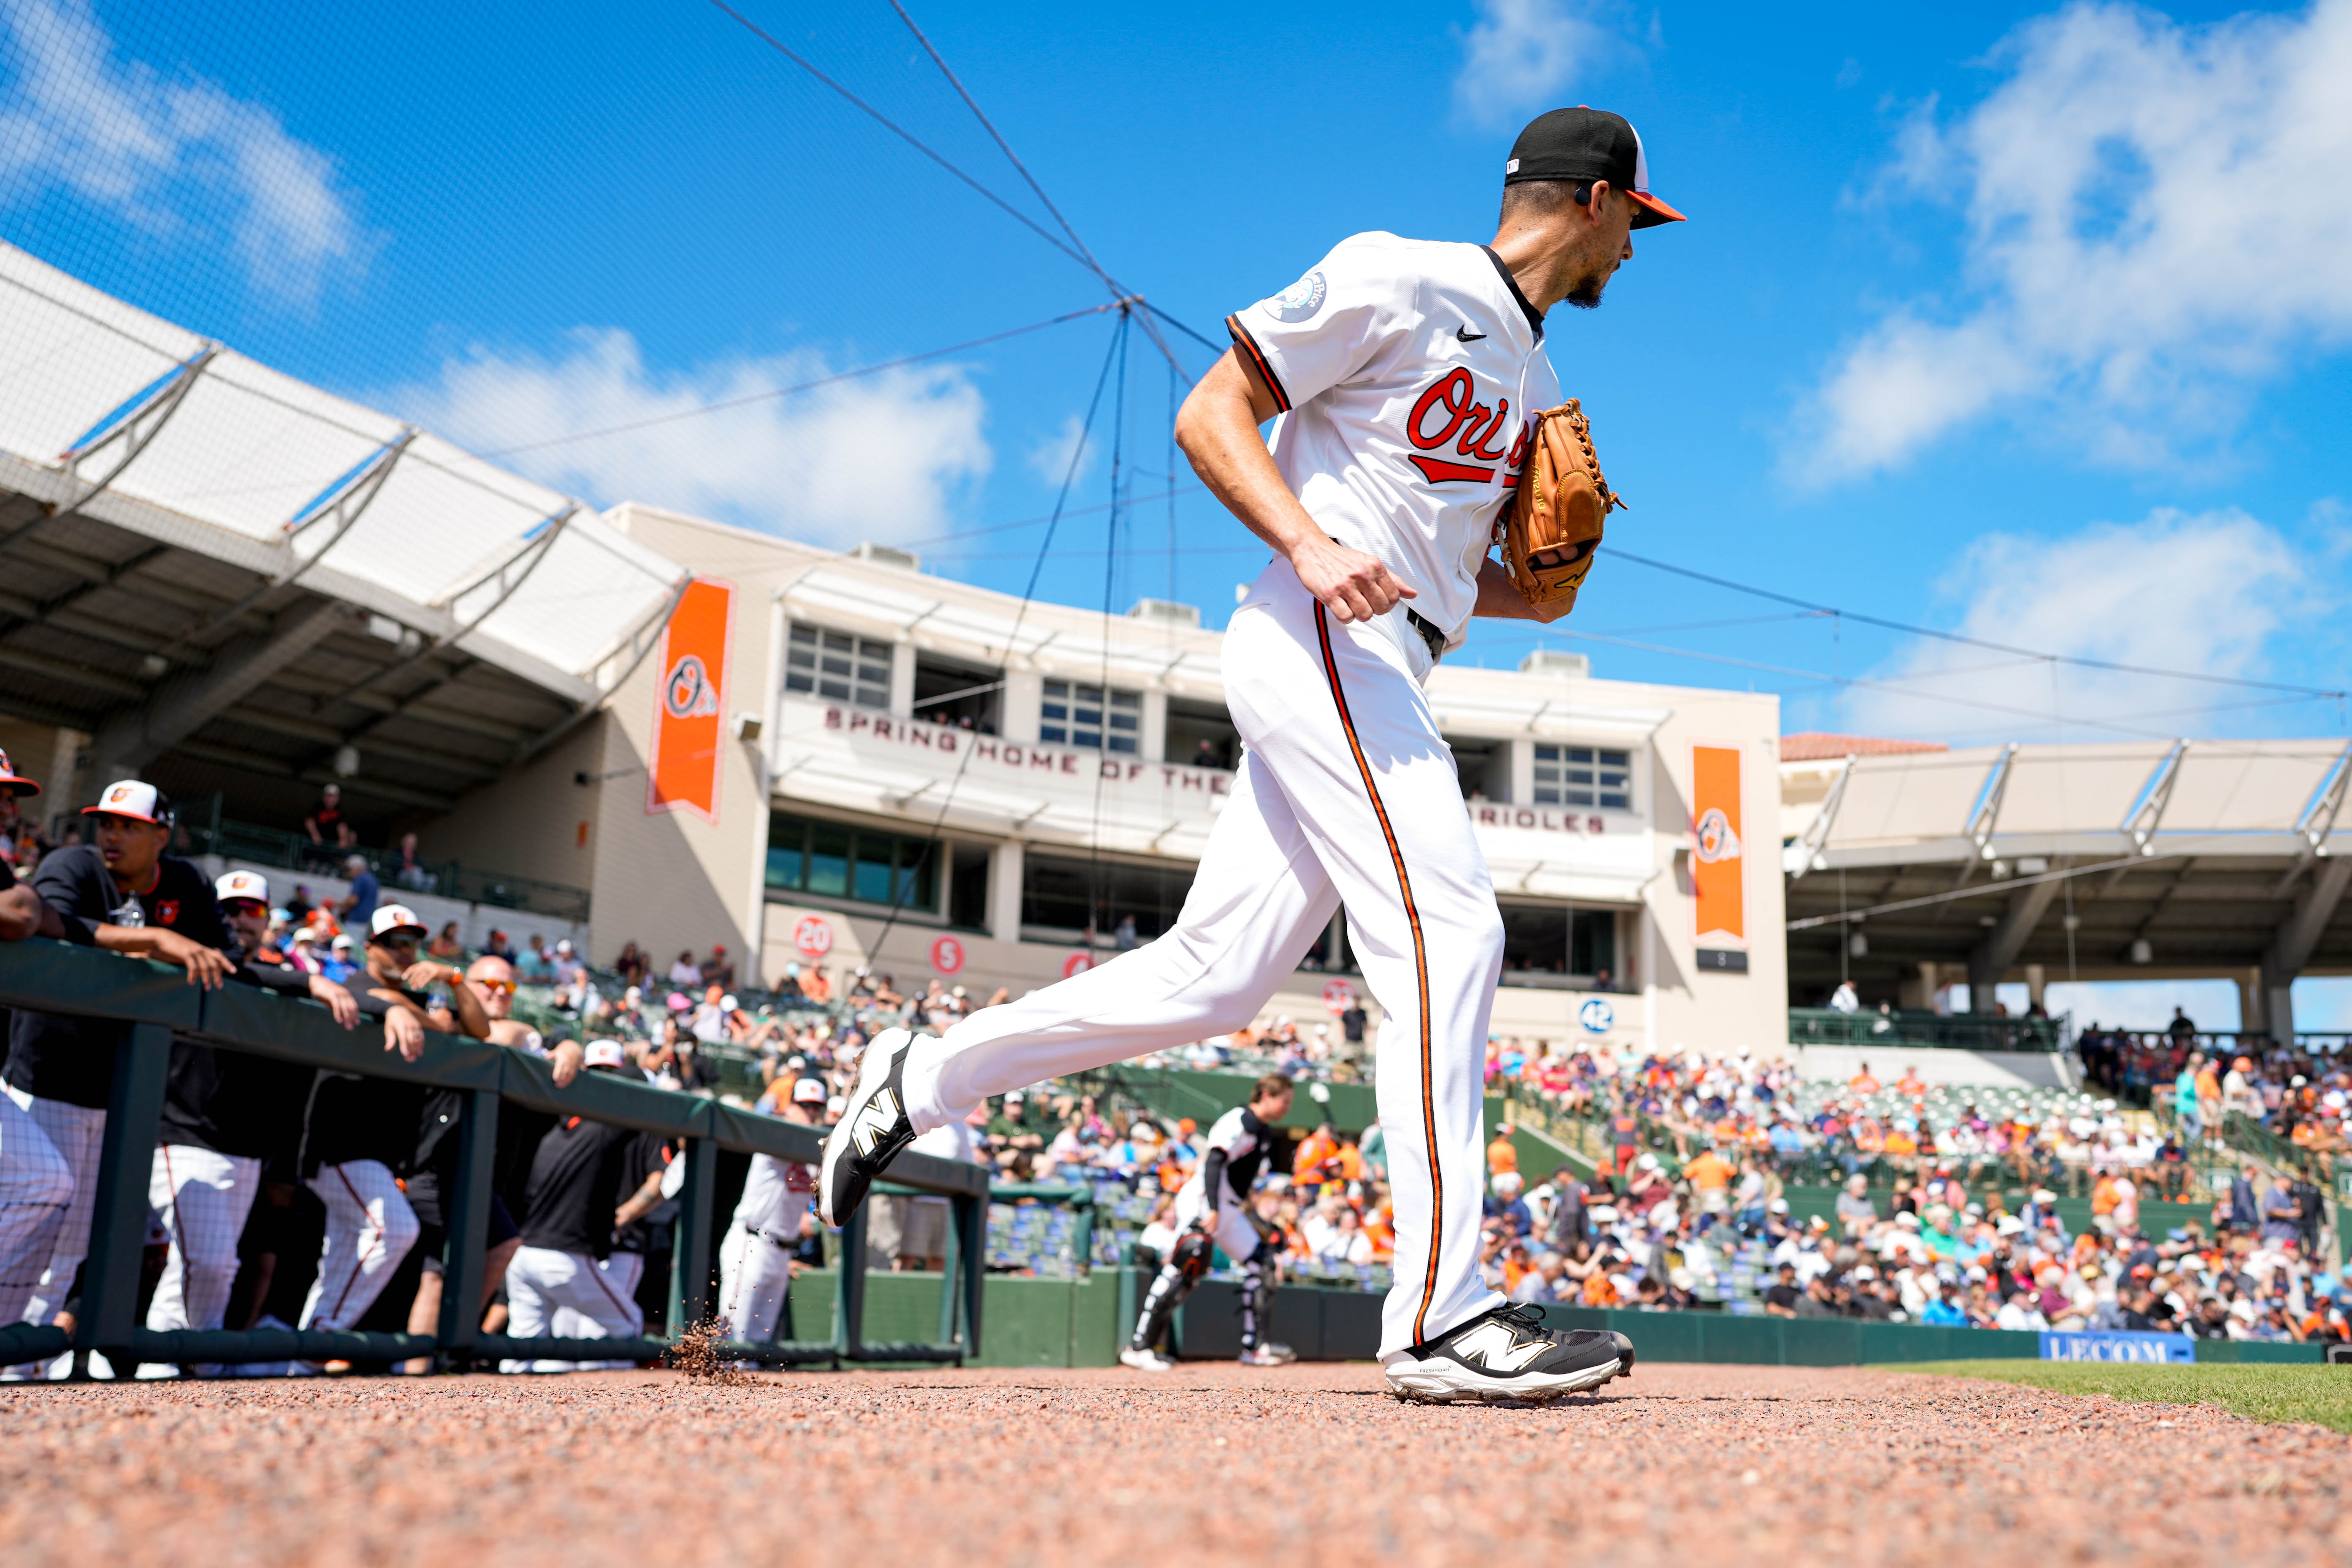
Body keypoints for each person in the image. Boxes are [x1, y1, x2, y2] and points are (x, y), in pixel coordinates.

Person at [822, 104, 1675, 1404]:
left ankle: (926, 1072)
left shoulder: (1542, 381)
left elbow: (1480, 582)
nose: (1637, 255)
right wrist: (1311, 541)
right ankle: (1442, 1317)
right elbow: (1214, 410)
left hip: (1395, 644)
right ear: (1601, 202)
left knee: (1212, 978)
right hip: (1320, 634)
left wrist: (1534, 592)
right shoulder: (1404, 273)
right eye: (1638, 226)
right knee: (1454, 934)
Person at [5, 780, 234, 1369]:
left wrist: (310, 981)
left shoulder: (185, 883)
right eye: (106, 822)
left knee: (74, 1243)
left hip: (118, 1095)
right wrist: (155, 939)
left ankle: (24, 1365)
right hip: (45, 1079)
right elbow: (49, 921)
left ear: (162, 834)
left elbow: (225, 959)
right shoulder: (72, 863)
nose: (112, 834)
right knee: (37, 1220)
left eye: (129, 825)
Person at [139, 870, 362, 1377]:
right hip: (179, 1136)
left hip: (243, 1148)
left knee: (200, 1268)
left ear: (266, 921)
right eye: (231, 909)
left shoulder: (269, 982)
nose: (241, 919)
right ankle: (175, 1366)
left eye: (252, 910)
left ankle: (171, 1371)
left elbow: (259, 976)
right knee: (210, 1263)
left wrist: (308, 980)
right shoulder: (184, 960)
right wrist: (310, 978)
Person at [294, 904, 490, 1349]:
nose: (405, 952)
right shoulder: (359, 983)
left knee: (343, 1255)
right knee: (393, 1229)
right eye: (394, 943)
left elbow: (479, 1030)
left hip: (377, 1151)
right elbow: (382, 1001)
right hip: (339, 1143)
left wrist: (452, 977)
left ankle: (300, 1352)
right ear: (370, 949)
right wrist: (429, 1018)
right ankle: (321, 1340)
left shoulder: (417, 994)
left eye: (412, 943)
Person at [499, 1041, 671, 1372]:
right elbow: (636, 1088)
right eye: (598, 1076)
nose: (604, 1082)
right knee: (628, 1325)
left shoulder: (555, 1124)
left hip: (525, 1256)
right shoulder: (604, 1125)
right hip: (566, 1257)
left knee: (526, 1354)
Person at [1121, 1075, 1302, 1371]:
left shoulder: (1264, 1131)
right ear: (1267, 1095)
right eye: (1285, 1101)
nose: (1287, 1108)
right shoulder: (1239, 1120)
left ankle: (1254, 1348)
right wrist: (1214, 1210)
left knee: (1263, 1265)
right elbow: (1215, 1162)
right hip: (1206, 1200)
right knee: (1185, 1263)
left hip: (1229, 1209)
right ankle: (1139, 1348)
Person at [717, 1075, 825, 1348]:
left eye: (816, 1107)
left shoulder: (814, 1149)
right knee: (732, 1338)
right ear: (790, 1107)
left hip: (781, 1251)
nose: (811, 1113)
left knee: (759, 1345)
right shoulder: (777, 1134)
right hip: (751, 1242)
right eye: (805, 1106)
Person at [338, 853, 380, 929]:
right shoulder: (373, 879)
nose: (349, 873)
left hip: (356, 919)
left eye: (350, 870)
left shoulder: (360, 878)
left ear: (356, 868)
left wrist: (337, 904)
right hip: (367, 919)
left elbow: (354, 900)